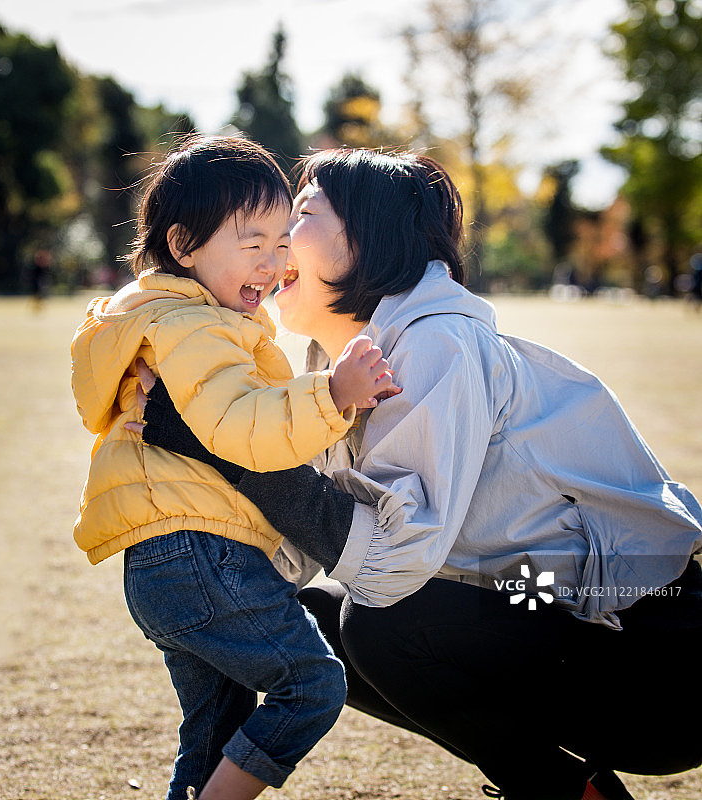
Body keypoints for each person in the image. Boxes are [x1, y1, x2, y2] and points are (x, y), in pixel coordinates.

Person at [131, 147, 702, 800]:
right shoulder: (347, 361)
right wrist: (204, 577)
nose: (279, 238)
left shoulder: (437, 344)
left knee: (384, 625)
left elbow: (394, 557)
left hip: (654, 653)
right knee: (288, 618)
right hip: (548, 610)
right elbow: (300, 548)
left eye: (302, 214)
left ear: (369, 237)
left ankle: (563, 792)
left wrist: (219, 446)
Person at [70, 136, 400, 800]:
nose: (275, 262)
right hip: (200, 555)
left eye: (283, 242)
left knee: (215, 735)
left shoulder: (166, 318)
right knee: (311, 684)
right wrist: (332, 394)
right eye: (253, 244)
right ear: (184, 244)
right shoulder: (194, 329)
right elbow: (240, 427)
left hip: (169, 561)